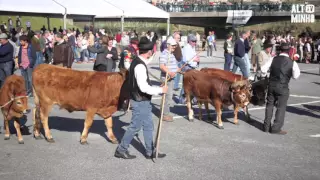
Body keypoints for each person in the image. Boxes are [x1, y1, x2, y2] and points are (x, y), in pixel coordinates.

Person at [115, 37, 168, 160]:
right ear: (149, 52)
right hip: (140, 101)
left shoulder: (138, 61)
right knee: (135, 127)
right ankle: (121, 150)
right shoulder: (139, 65)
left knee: (149, 126)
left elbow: (144, 84)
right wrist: (160, 90)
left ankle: (150, 151)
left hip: (143, 100)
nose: (152, 53)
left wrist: (156, 87)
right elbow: (143, 87)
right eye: (152, 51)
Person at [261, 43, 301, 135]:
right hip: (283, 86)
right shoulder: (292, 62)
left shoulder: (273, 59)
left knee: (269, 105)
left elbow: (263, 69)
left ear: (280, 50)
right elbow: (296, 76)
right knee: (281, 107)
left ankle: (266, 126)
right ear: (288, 51)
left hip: (271, 85)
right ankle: (276, 128)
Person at [159, 36, 180, 122]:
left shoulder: (171, 54)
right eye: (173, 45)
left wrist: (177, 69)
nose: (174, 47)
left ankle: (164, 113)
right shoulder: (165, 54)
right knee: (167, 97)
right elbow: (161, 66)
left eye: (175, 45)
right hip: (166, 78)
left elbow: (173, 65)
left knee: (168, 96)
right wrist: (170, 72)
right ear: (168, 45)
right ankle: (165, 115)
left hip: (170, 78)